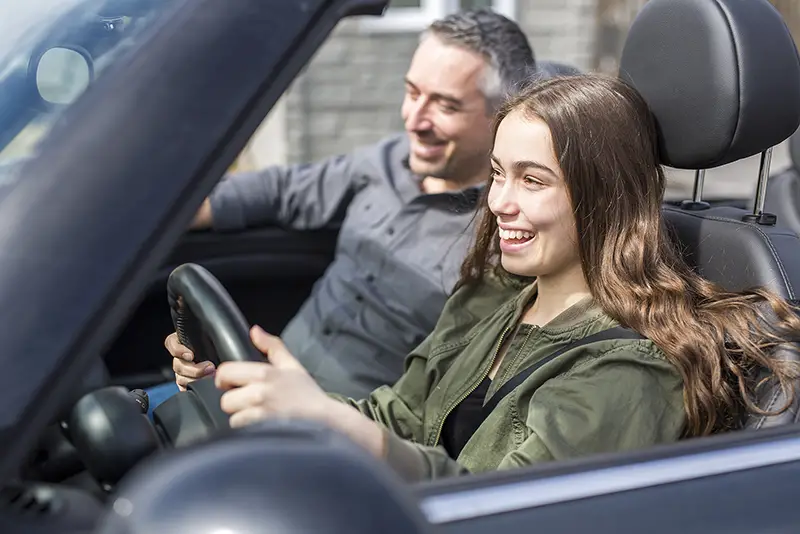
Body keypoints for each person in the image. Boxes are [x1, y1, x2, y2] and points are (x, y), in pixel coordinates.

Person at [166, 74, 800, 482]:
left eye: (533, 180)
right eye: (497, 173)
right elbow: (400, 415)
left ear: (600, 199)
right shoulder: (493, 295)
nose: (499, 202)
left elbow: (501, 510)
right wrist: (271, 391)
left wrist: (334, 427)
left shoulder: (628, 370)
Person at [151, 9, 538, 406]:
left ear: (503, 115)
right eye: (411, 92)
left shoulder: (508, 234)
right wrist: (156, 215)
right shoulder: (385, 160)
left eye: (445, 106)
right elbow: (283, 190)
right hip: (258, 374)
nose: (414, 119)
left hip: (341, 429)